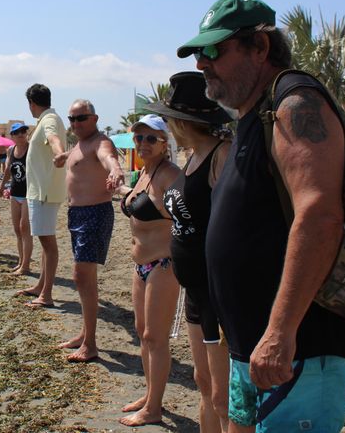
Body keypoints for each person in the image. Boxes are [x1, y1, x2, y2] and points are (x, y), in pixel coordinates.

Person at [178, 0, 345, 432]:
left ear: (260, 46)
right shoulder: (256, 114)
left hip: (300, 347)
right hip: (255, 346)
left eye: (214, 50)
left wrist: (281, 333)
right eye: (199, 54)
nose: (202, 63)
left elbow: (320, 216)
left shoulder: (295, 102)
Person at [147, 72, 233, 432]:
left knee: (223, 395)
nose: (167, 126)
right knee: (203, 381)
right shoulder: (193, 156)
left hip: (216, 291)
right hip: (194, 289)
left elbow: (234, 222)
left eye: (169, 119)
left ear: (182, 121)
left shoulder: (221, 154)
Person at [113, 114, 181, 426]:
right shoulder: (143, 172)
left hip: (163, 265)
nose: (143, 143)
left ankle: (154, 408)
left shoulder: (171, 175)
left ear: (165, 143)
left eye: (151, 138)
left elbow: (190, 217)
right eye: (139, 138)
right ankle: (150, 394)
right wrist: (119, 188)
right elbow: (139, 201)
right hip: (140, 265)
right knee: (143, 333)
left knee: (156, 337)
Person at [53, 99, 124, 363]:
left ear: (94, 119)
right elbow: (77, 159)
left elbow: (108, 157)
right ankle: (85, 334)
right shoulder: (80, 144)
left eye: (81, 118)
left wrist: (116, 169)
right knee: (85, 278)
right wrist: (63, 157)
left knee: (81, 276)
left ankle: (90, 345)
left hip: (94, 213)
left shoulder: (100, 141)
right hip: (77, 215)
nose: (75, 123)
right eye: (71, 119)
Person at [18, 83, 66, 309]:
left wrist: (59, 153)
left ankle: (46, 295)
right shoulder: (47, 118)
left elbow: (53, 138)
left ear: (31, 103)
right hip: (42, 190)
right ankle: (41, 286)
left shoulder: (49, 120)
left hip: (44, 192)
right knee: (46, 242)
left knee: (48, 243)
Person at [0, 122, 32, 275]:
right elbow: (8, 170)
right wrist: (1, 187)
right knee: (17, 230)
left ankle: (26, 266)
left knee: (25, 229)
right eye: (17, 132)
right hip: (14, 193)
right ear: (12, 136)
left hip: (28, 194)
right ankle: (20, 262)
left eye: (23, 131)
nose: (21, 134)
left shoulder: (31, 148)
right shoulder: (11, 150)